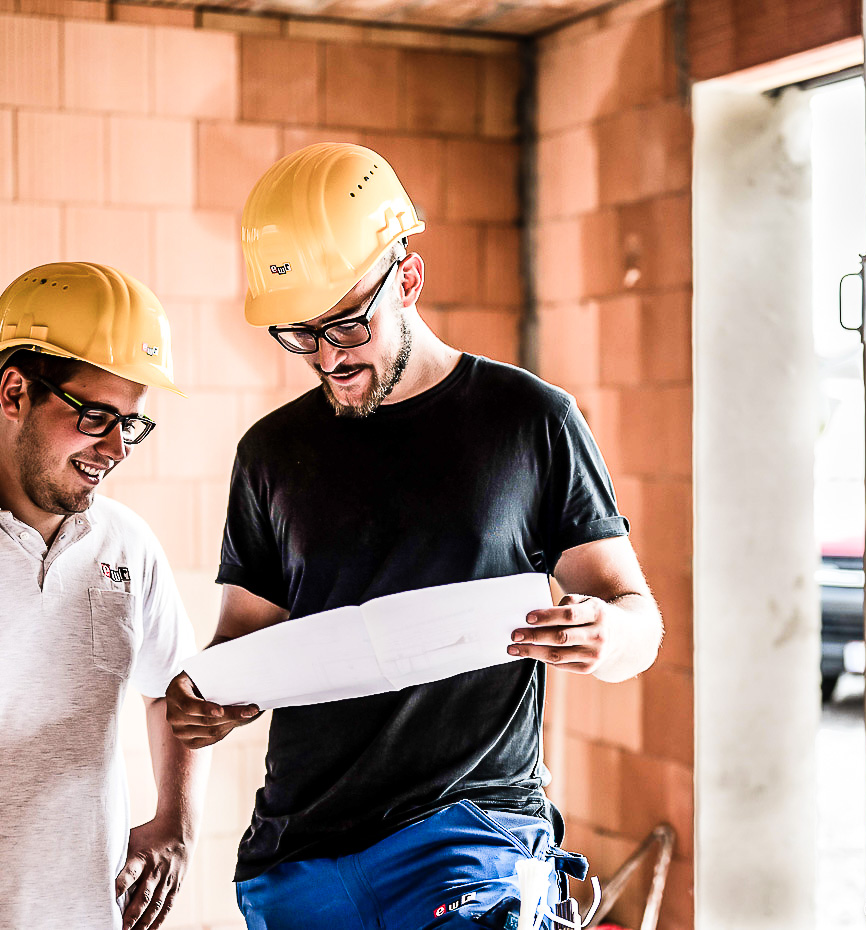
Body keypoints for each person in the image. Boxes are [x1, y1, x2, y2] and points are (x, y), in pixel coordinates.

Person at [166, 143, 663, 930]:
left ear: (408, 278)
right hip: (299, 854)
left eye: (347, 324)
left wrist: (610, 633)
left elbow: (636, 613)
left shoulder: (530, 420)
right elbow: (244, 649)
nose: (328, 357)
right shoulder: (269, 453)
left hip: (470, 833)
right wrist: (213, 702)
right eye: (300, 334)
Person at [0, 262, 209, 930]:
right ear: (13, 393)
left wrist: (178, 823)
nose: (116, 447)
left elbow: (175, 687)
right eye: (95, 416)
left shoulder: (127, 546)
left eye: (132, 423)